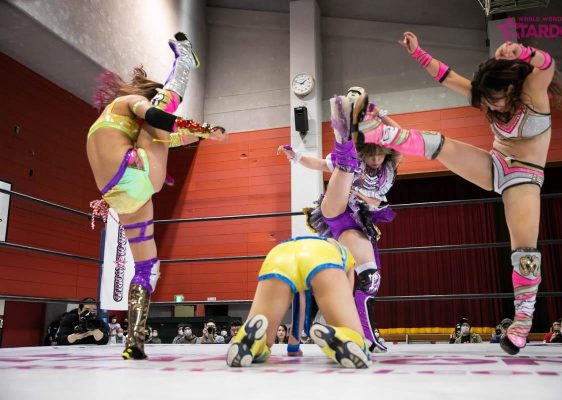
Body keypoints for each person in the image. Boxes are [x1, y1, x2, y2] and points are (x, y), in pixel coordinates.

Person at [355, 32, 562, 355]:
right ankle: (383, 134)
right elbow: (447, 76)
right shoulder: (486, 96)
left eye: (494, 101)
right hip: (494, 164)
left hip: (524, 176)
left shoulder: (533, 94)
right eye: (485, 102)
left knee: (525, 252)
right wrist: (418, 52)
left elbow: (548, 65)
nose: (489, 107)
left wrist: (523, 51)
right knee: (440, 144)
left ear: (511, 89)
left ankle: (522, 322)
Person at [86, 32, 228, 360]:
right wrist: (203, 131)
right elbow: (155, 117)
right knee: (148, 267)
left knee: (145, 266)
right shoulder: (127, 105)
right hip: (136, 177)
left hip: (118, 194)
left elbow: (161, 133)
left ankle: (134, 340)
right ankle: (185, 61)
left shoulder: (110, 120)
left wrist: (201, 134)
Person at [277, 88, 402, 352]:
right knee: (346, 166)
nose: (376, 159)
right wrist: (296, 156)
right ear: (364, 151)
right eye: (371, 154)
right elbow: (318, 164)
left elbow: (400, 136)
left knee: (370, 278)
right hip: (338, 212)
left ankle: (365, 334)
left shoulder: (390, 166)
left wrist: (380, 115)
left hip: (360, 224)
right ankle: (342, 136)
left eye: (380, 154)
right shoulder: (360, 161)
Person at [225, 236, 370, 369]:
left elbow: (300, 306)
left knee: (265, 339)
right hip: (322, 255)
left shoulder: (302, 244)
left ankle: (251, 344)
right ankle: (343, 338)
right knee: (355, 337)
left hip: (278, 255)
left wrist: (293, 347)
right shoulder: (348, 257)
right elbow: (346, 299)